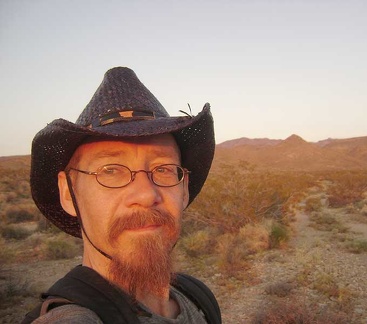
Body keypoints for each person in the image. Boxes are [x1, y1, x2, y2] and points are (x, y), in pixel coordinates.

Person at [23, 67, 220, 323]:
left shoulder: (198, 298)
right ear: (68, 193)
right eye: (111, 170)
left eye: (163, 169)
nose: (146, 194)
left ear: (183, 189)